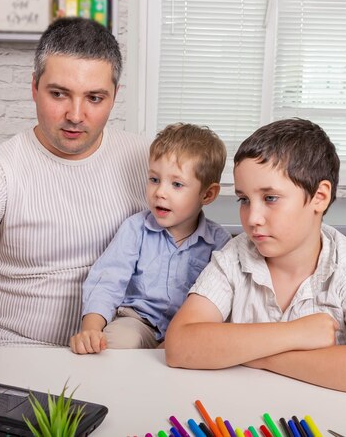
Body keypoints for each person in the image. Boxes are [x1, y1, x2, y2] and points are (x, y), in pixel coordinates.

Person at [0, 17, 150, 347]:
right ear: (34, 87)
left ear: (115, 96)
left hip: (111, 356)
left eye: (94, 98)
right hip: (16, 348)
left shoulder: (147, 159)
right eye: (59, 94)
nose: (75, 115)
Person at [165, 118, 346, 397]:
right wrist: (296, 334)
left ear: (319, 196)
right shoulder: (236, 256)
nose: (252, 218)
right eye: (244, 200)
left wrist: (257, 356)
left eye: (270, 198)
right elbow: (180, 345)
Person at [69, 123, 231, 354]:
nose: (160, 192)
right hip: (138, 322)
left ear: (207, 194)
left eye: (176, 184)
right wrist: (91, 329)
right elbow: (107, 280)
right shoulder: (136, 229)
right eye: (154, 179)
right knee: (116, 344)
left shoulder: (219, 243)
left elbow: (224, 299)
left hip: (189, 330)